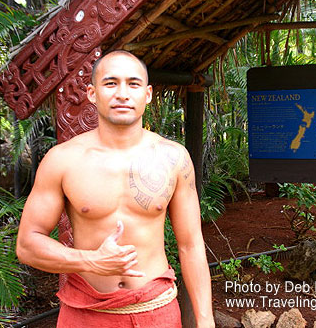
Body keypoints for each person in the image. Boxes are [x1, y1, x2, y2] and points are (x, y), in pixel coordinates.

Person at [16, 50, 214, 327]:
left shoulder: (173, 158)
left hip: (156, 311)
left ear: (147, 94)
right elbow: (27, 245)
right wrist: (90, 261)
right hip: (84, 313)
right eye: (110, 83)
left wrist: (206, 320)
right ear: (92, 93)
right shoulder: (62, 159)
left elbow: (191, 245)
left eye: (133, 84)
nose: (122, 93)